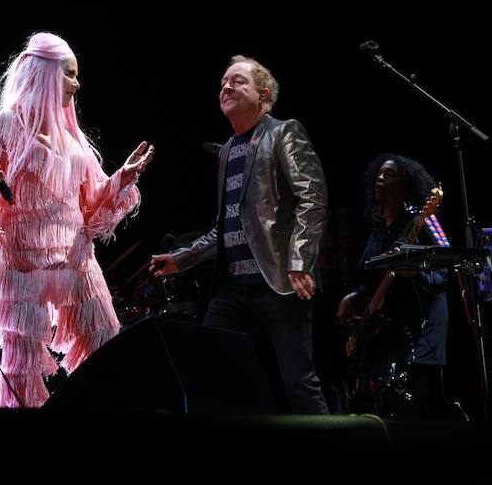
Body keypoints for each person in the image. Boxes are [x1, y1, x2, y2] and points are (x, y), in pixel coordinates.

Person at [0, 32, 154, 408]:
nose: (76, 83)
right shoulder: (7, 124)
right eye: (69, 74)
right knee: (22, 370)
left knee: (104, 341)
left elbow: (92, 205)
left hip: (74, 258)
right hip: (21, 261)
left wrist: (122, 177)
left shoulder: (72, 139)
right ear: (45, 73)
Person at [150, 55, 329, 414]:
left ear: (263, 94)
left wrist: (299, 260)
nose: (226, 87)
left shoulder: (283, 131)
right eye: (222, 83)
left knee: (298, 383)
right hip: (233, 290)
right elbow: (226, 225)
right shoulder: (228, 151)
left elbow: (314, 196)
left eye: (238, 81)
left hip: (280, 283)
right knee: (208, 374)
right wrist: (183, 259)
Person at [337, 154, 450, 418]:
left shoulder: (421, 221)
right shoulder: (379, 228)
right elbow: (373, 280)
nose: (380, 178)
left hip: (419, 329)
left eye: (389, 175)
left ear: (406, 185)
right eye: (379, 173)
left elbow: (444, 273)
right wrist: (354, 296)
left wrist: (416, 275)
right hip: (387, 327)